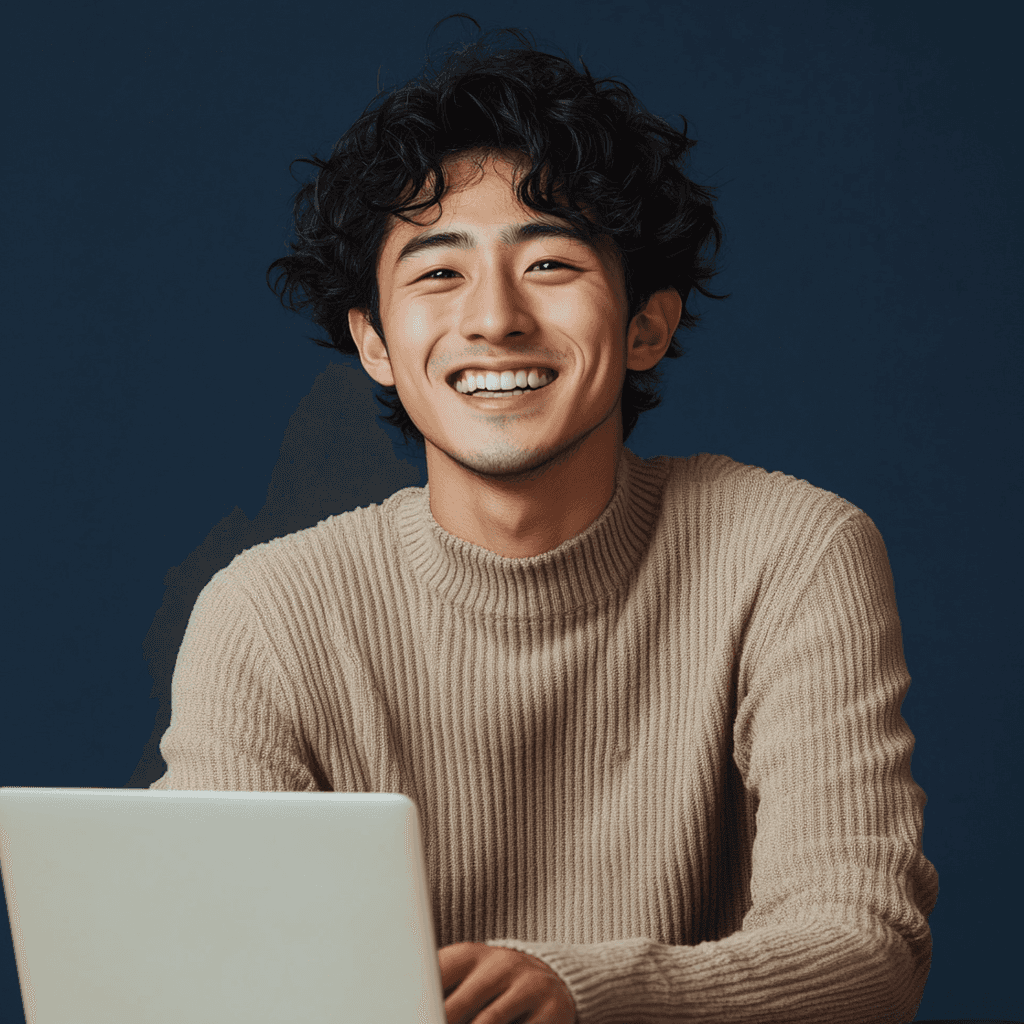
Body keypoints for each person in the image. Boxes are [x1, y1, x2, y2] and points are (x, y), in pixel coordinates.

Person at [151, 24, 939, 1024]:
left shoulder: (788, 550)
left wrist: (585, 991)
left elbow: (864, 948)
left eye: (552, 264)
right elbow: (192, 970)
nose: (495, 319)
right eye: (437, 274)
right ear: (375, 343)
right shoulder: (269, 612)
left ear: (646, 324)